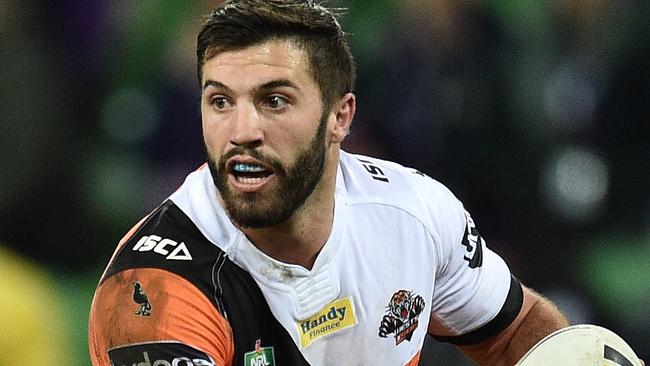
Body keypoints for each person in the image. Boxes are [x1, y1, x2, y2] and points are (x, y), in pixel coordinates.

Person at [88, 1, 570, 365]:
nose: (241, 132)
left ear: (340, 117)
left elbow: (518, 331)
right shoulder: (151, 292)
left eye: (274, 101)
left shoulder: (414, 213)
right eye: (220, 102)